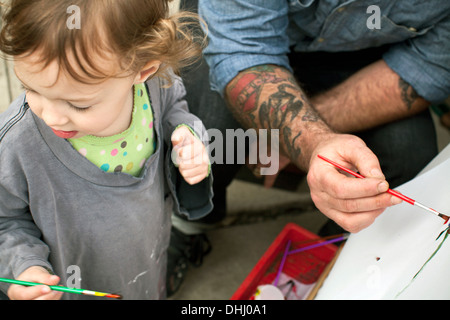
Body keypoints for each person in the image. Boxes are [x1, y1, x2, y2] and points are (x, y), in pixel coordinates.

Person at [167, 0, 449, 295]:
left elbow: (428, 68)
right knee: (206, 131)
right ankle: (190, 221)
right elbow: (240, 45)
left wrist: (300, 136)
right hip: (241, 33)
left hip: (368, 60)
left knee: (410, 156)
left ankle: (327, 262)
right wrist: (301, 135)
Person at [0, 0, 212, 300]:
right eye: (30, 88)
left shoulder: (155, 87)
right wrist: (24, 268)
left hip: (146, 260)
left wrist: (188, 137)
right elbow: (4, 221)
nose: (51, 116)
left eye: (79, 104)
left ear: (142, 70)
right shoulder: (16, 143)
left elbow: (173, 109)